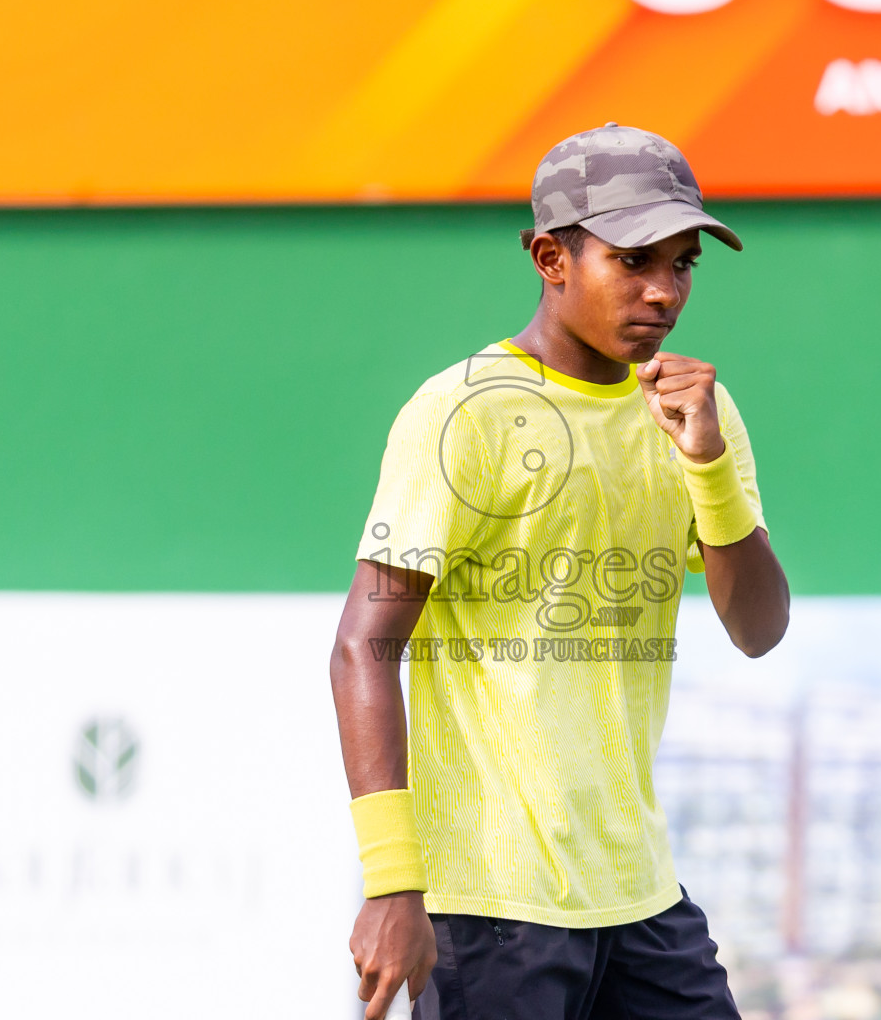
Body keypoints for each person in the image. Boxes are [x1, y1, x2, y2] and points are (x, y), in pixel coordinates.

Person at [329, 123, 790, 1020]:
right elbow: (361, 647)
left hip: (641, 896)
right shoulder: (461, 413)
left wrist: (710, 472)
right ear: (552, 257)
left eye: (684, 264)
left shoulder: (700, 410)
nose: (664, 291)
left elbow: (759, 628)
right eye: (634, 260)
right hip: (489, 908)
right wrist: (392, 884)